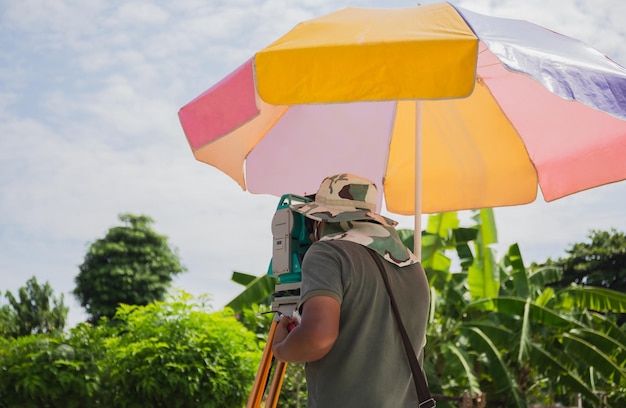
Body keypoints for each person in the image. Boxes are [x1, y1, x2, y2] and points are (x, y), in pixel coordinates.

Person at [271, 173, 431, 407]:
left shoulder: (329, 253)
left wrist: (281, 348)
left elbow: (318, 338)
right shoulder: (413, 266)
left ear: (320, 220)